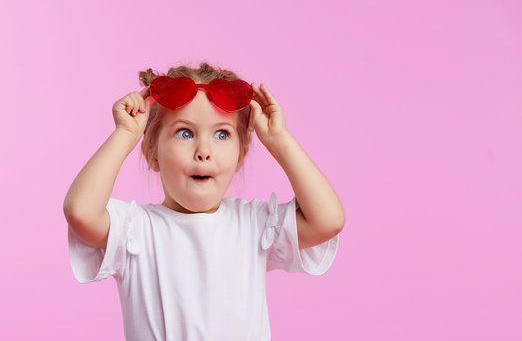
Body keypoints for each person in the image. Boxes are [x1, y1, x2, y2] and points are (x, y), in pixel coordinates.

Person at [63, 62, 345, 340]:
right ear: (152, 152)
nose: (204, 151)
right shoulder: (136, 231)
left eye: (222, 134)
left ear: (240, 156)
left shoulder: (253, 225)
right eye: (185, 133)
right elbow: (81, 213)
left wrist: (278, 139)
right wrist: (125, 134)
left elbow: (328, 221)